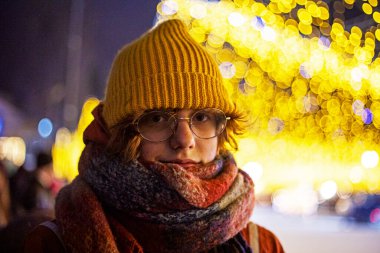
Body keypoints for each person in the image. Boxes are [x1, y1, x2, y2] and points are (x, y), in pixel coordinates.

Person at [24, 19, 284, 253]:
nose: (184, 140)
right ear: (120, 133)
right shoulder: (54, 244)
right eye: (157, 118)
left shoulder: (262, 245)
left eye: (202, 117)